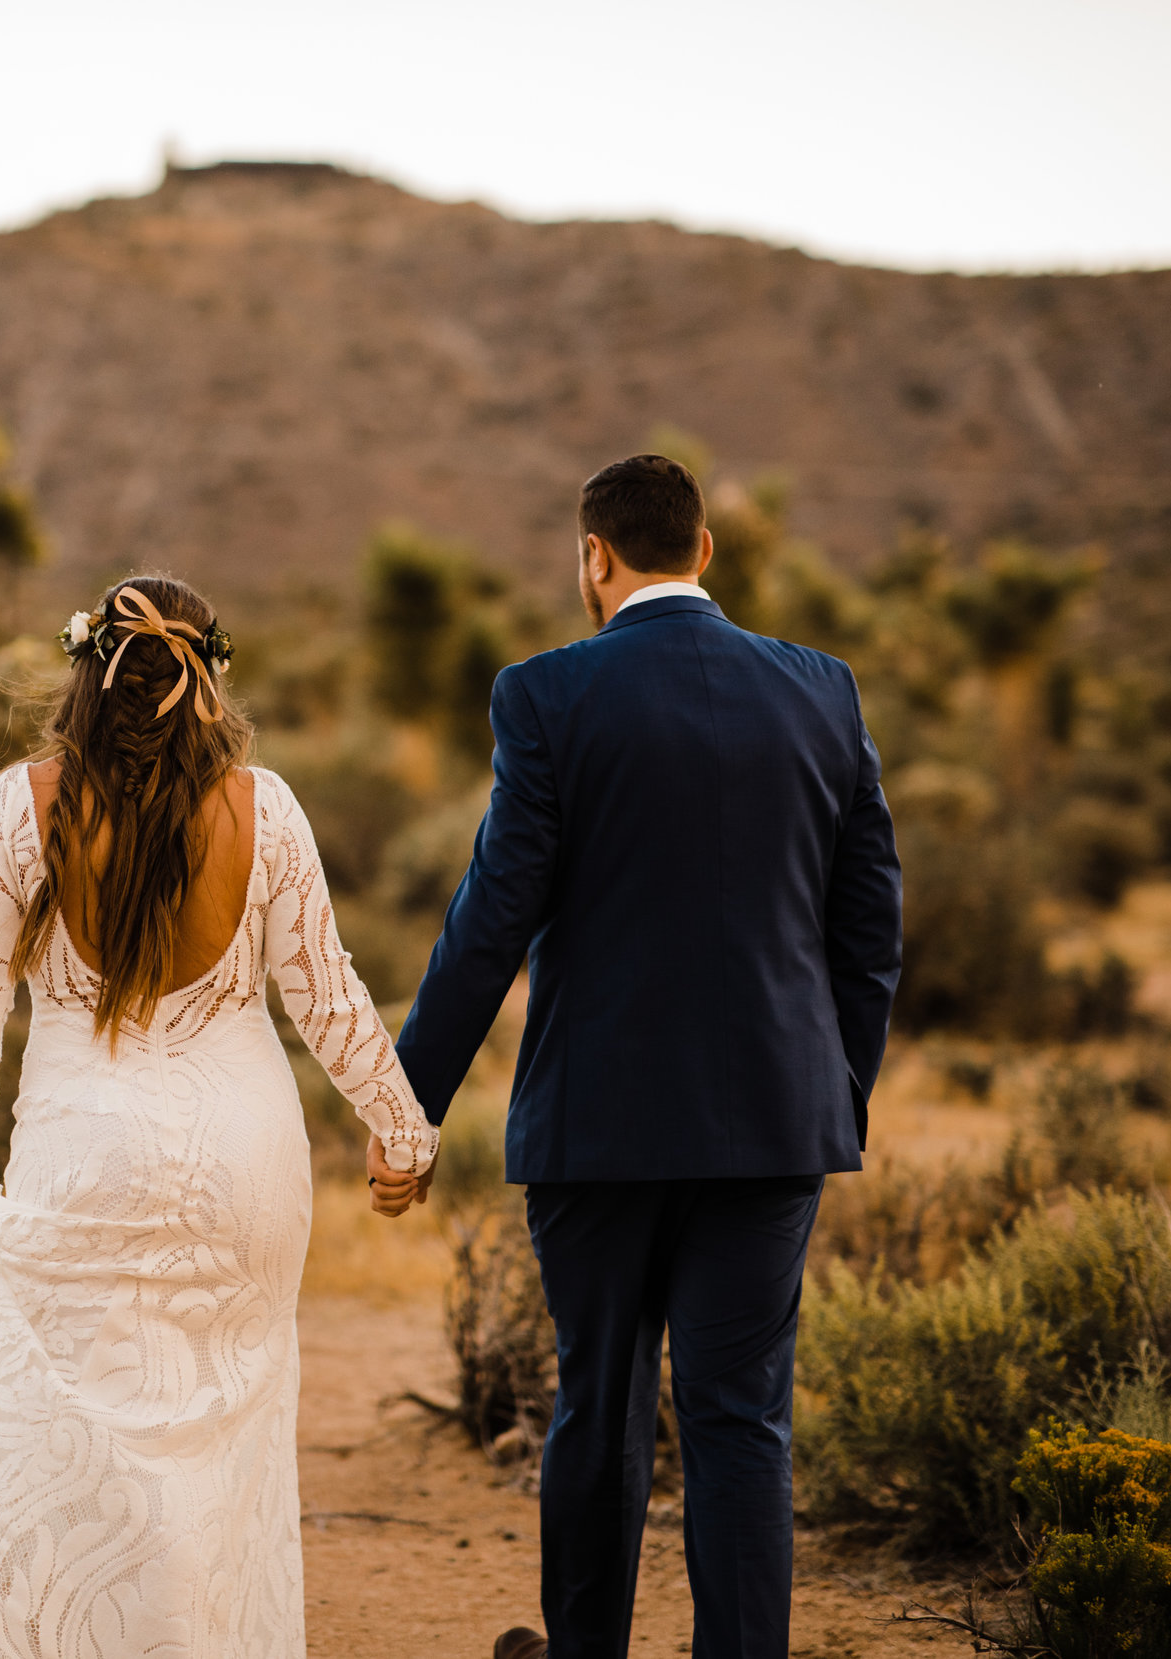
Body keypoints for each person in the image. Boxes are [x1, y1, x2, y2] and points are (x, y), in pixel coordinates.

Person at [0, 574, 439, 1659]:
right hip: (243, 1172)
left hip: (79, 1158)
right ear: (208, 677)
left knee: (42, 1437)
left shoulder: (19, 804)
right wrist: (404, 1132)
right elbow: (325, 992)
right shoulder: (265, 807)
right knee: (214, 1452)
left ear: (84, 671)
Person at [380, 454, 904, 1659]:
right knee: (739, 1425)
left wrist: (406, 1105)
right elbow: (867, 921)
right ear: (705, 551)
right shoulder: (823, 689)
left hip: (600, 1123)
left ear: (594, 558)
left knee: (598, 1408)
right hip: (777, 1119)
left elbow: (490, 919)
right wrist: (835, 1090)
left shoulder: (546, 695)